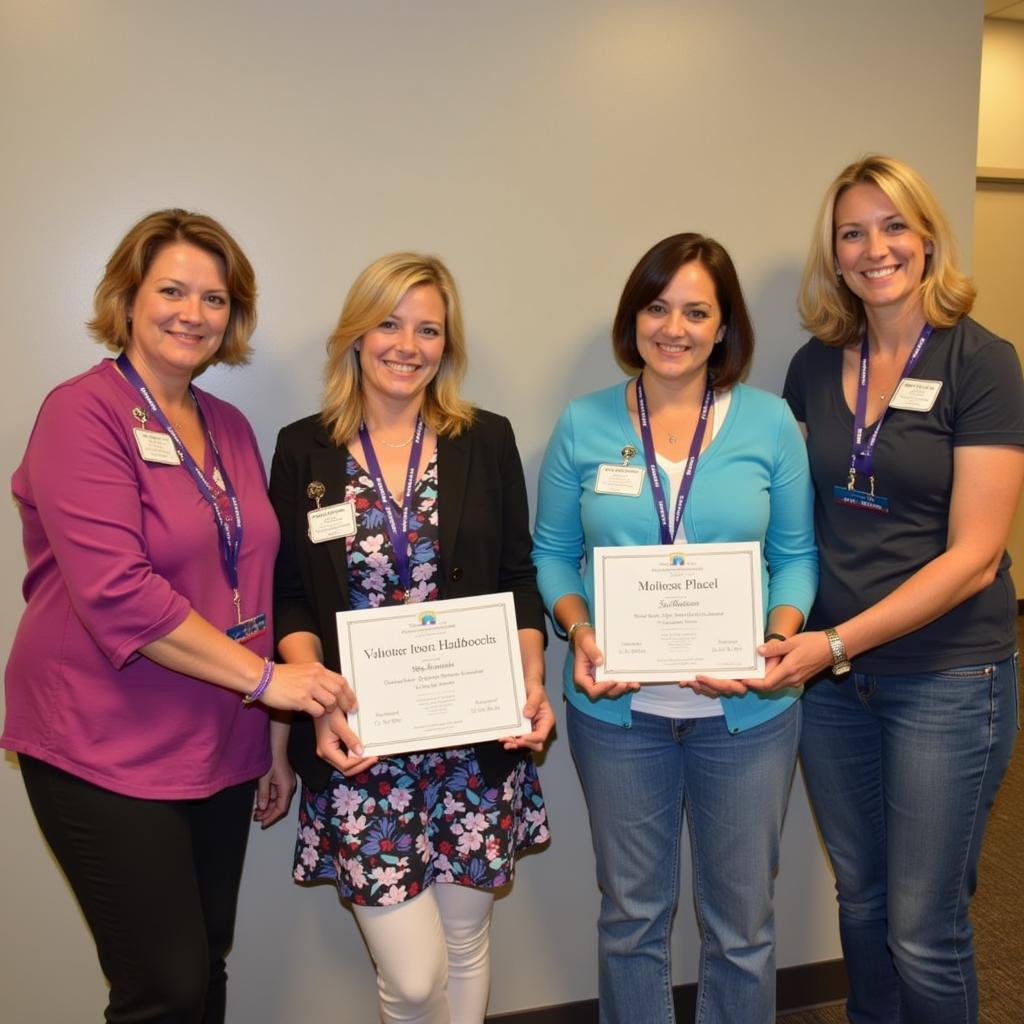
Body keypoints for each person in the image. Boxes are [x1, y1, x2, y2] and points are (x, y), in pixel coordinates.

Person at [2, 209, 353, 1024]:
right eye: (171, 290)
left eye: (215, 299)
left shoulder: (228, 426)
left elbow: (254, 580)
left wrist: (271, 733)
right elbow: (119, 591)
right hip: (99, 739)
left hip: (218, 737)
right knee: (162, 985)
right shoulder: (80, 415)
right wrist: (271, 682)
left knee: (205, 966)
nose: (193, 314)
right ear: (128, 297)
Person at [532, 233, 818, 1024]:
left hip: (748, 714)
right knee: (632, 920)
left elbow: (796, 558)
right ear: (635, 316)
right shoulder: (585, 423)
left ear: (723, 327)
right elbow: (552, 553)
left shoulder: (769, 424)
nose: (675, 327)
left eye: (697, 311)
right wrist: (578, 628)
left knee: (742, 930)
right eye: (658, 307)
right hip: (620, 715)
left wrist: (779, 638)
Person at [767, 155, 1024, 1023]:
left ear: (927, 238)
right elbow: (787, 517)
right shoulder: (810, 366)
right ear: (835, 255)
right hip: (835, 684)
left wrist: (836, 642)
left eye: (893, 226)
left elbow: (976, 557)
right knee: (862, 904)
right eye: (853, 232)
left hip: (946, 677)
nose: (875, 248)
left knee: (925, 928)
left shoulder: (983, 362)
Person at [270, 251, 552, 1024]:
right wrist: (316, 695)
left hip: (472, 739)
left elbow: (518, 575)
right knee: (416, 977)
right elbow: (289, 598)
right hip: (362, 742)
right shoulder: (305, 449)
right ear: (356, 335)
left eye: (429, 329)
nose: (408, 344)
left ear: (446, 346)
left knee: (465, 945)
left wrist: (530, 680)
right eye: (390, 322)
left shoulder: (484, 439)